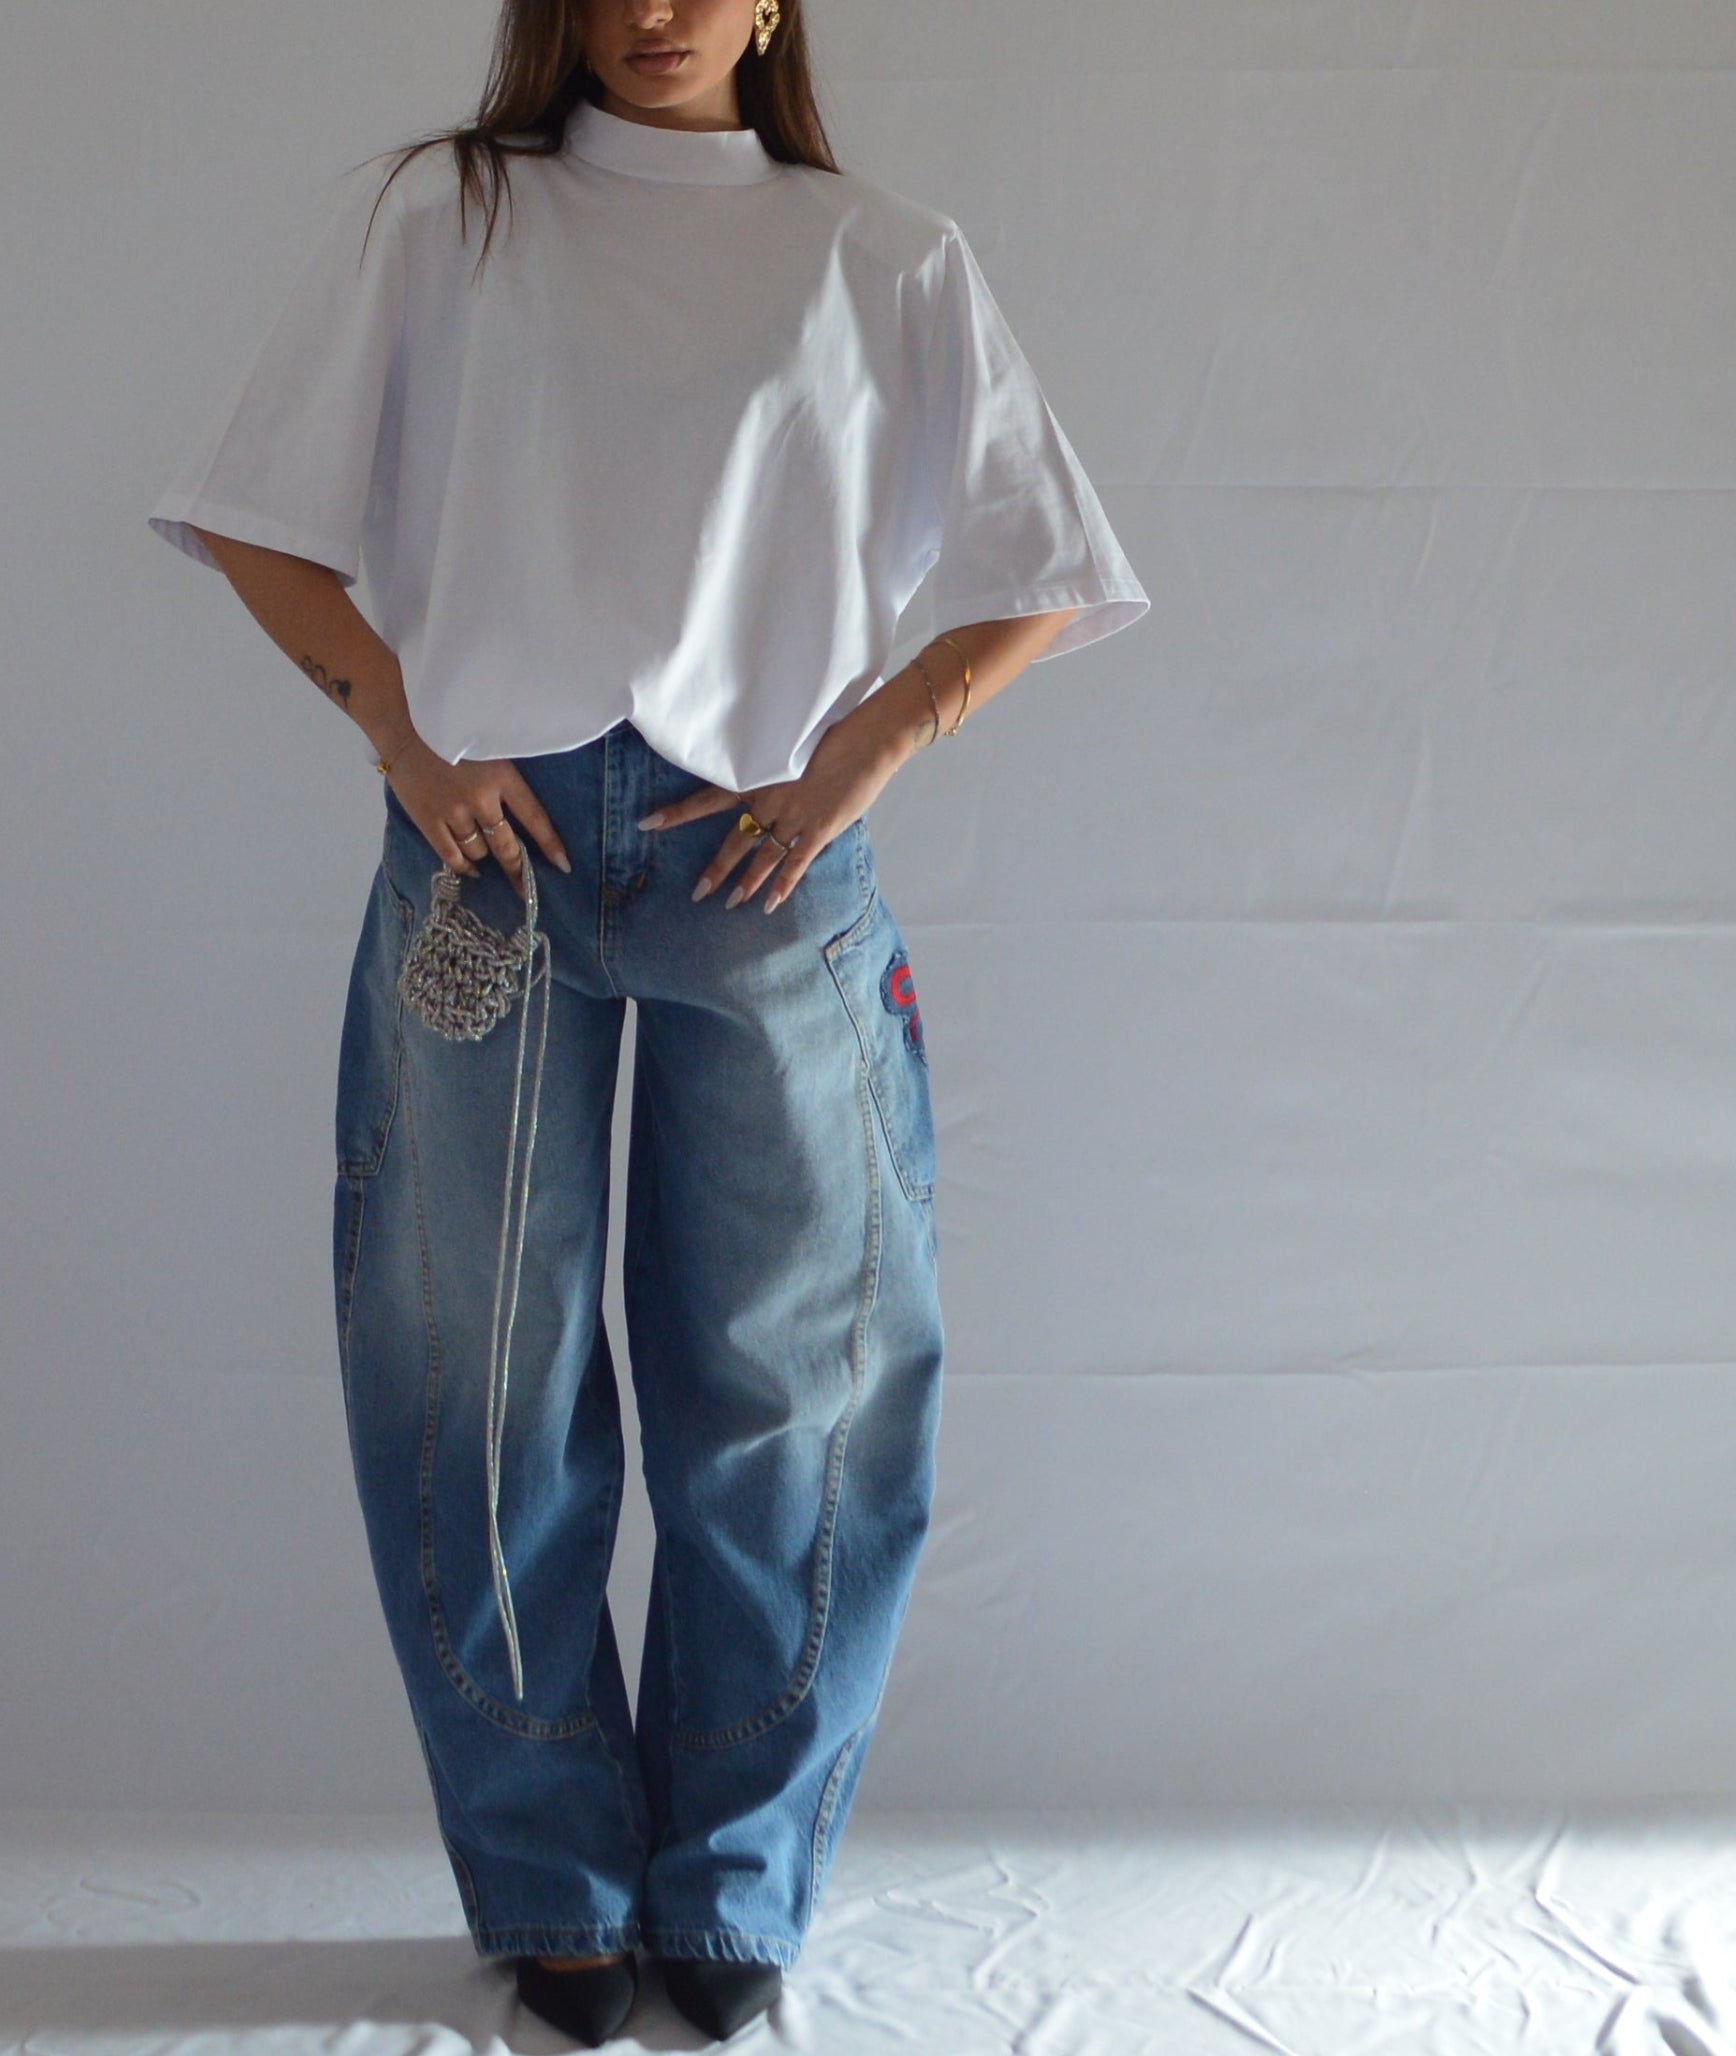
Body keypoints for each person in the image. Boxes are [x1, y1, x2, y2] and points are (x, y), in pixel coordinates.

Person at [148, 0, 1148, 2042]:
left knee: (794, 1394)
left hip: (763, 863)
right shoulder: (449, 219)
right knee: (475, 1381)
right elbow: (256, 515)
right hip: (488, 859)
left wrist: (863, 751)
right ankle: (554, 1880)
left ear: (775, 3)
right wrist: (404, 737)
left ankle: (734, 1880)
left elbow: (1044, 565)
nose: (658, 10)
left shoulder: (879, 259)